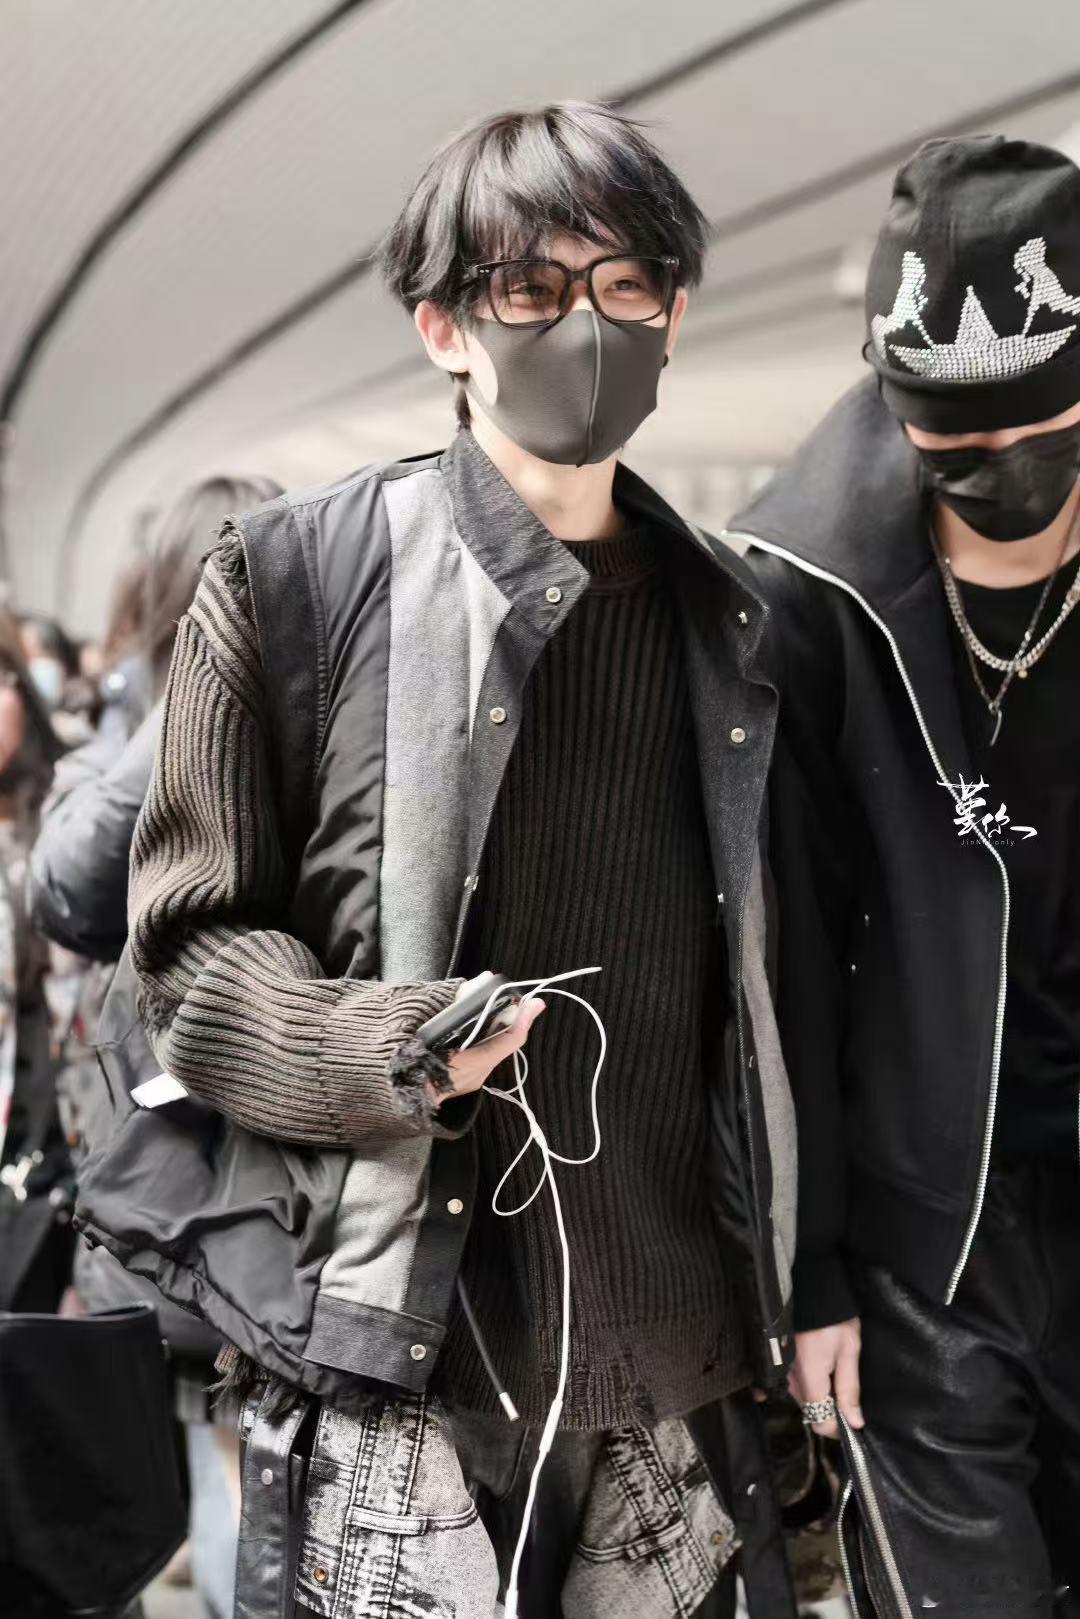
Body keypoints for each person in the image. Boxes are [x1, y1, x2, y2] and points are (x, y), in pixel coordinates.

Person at [95, 101, 797, 1618]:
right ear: (444, 327)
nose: (584, 327)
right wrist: (391, 1049)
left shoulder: (737, 622)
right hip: (402, 1333)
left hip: (678, 1342)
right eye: (530, 290)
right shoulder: (295, 576)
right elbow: (190, 957)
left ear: (673, 314)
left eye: (625, 285)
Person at [734, 135, 1080, 1616]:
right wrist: (809, 1273)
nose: (1002, 476)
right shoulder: (804, 597)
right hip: (924, 1234)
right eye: (952, 450)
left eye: (1043, 430)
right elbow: (790, 959)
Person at [31, 475, 281, 1619]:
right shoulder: (140, 723)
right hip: (188, 1177)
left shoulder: (183, 721)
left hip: (219, 1177)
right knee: (221, 1467)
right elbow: (74, 892)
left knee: (237, 1469)